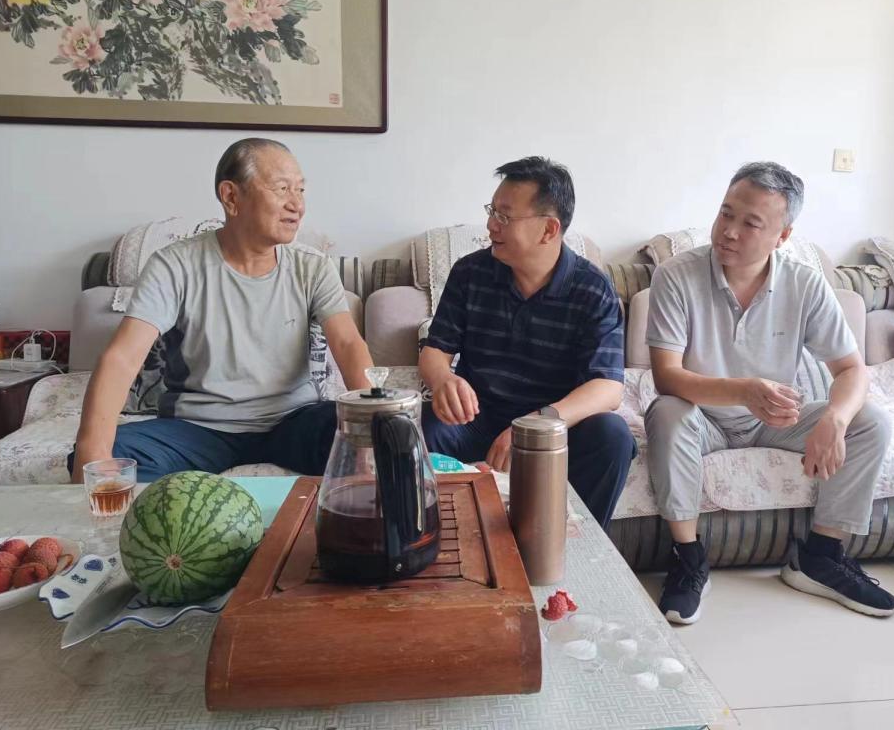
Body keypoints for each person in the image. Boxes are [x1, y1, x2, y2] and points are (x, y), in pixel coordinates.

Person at [645, 161, 894, 622]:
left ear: (782, 236)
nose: (729, 231)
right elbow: (667, 376)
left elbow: (852, 370)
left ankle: (820, 557)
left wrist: (835, 418)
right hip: (702, 417)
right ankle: (688, 558)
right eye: (726, 213)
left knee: (871, 423)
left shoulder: (804, 283)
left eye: (750, 223)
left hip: (776, 420)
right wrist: (743, 391)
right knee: (666, 411)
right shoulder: (675, 275)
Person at [69, 138, 373, 484]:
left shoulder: (313, 267)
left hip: (294, 420)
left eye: (300, 190)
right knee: (104, 456)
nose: (297, 205)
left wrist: (370, 432)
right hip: (198, 429)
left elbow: (348, 344)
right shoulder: (174, 265)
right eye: (282, 188)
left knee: (387, 434)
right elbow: (122, 357)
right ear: (231, 197)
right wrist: (94, 451)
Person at [419, 156, 636, 528]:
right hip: (477, 418)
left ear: (549, 229)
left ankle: (575, 545)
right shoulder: (471, 272)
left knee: (612, 436)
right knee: (421, 427)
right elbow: (435, 350)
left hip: (554, 426)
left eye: (504, 216)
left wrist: (534, 427)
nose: (491, 225)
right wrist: (443, 380)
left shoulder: (592, 289)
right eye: (492, 211)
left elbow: (607, 388)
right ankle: (439, 538)